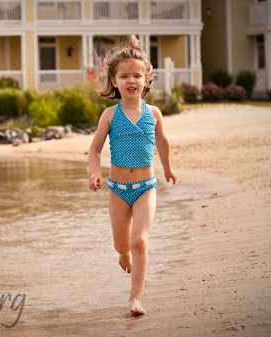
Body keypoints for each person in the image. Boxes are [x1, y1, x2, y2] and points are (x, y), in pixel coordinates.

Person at [87, 34, 177, 315]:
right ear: (114, 81)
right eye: (124, 76)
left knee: (139, 240)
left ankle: (135, 298)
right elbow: (94, 149)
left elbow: (163, 142)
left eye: (137, 76)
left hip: (146, 187)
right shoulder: (110, 115)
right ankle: (123, 253)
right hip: (117, 189)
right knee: (121, 244)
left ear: (147, 80)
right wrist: (94, 173)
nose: (131, 81)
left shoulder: (154, 113)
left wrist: (168, 168)